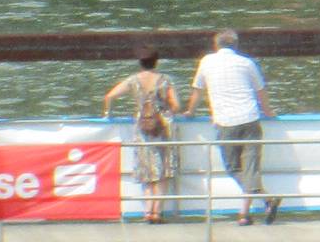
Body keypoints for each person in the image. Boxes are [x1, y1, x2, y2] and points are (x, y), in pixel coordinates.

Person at [187, 29, 282, 224]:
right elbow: (261, 91)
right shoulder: (247, 63)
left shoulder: (207, 62)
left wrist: (190, 111)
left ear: (216, 45)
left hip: (225, 121)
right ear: (236, 45)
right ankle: (260, 203)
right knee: (251, 168)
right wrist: (268, 111)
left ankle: (248, 212)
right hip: (250, 119)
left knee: (232, 167)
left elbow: (198, 90)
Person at [102, 49, 181, 222]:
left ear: (140, 63)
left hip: (142, 128)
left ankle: (147, 211)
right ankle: (157, 212)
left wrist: (108, 114)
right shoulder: (165, 80)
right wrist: (166, 111)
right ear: (156, 62)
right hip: (162, 128)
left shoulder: (133, 80)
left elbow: (110, 96)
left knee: (146, 171)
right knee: (162, 171)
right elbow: (176, 105)